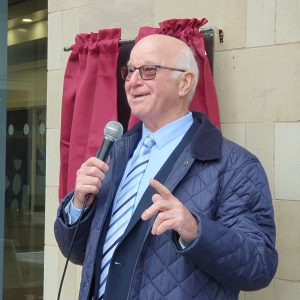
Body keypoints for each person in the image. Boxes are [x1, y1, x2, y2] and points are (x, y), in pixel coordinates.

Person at [54, 34, 278, 300]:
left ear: (184, 83)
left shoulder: (235, 166)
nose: (133, 81)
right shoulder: (116, 153)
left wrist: (196, 230)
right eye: (129, 71)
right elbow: (76, 252)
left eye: (149, 70)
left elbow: (259, 266)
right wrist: (78, 205)